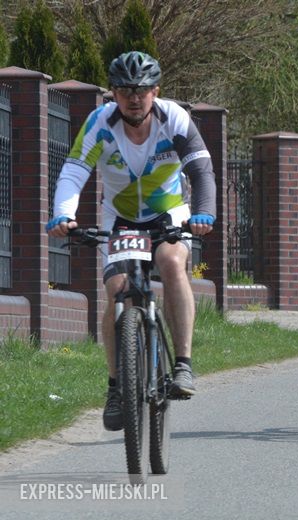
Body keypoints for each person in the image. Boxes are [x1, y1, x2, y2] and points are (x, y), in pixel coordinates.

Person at [46, 51, 217, 430]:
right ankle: (115, 387)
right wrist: (63, 213)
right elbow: (74, 170)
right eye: (125, 90)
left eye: (141, 90)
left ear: (155, 91)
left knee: (173, 263)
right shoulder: (100, 122)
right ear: (113, 93)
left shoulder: (173, 118)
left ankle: (184, 365)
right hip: (120, 219)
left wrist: (204, 211)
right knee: (118, 290)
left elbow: (201, 170)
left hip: (169, 212)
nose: (134, 98)